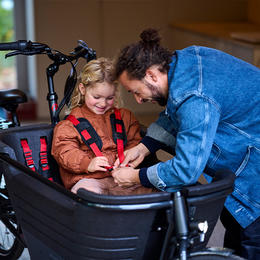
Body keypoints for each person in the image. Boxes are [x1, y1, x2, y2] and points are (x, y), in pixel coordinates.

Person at [112, 28, 260, 259]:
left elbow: (186, 170)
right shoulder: (185, 61)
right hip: (242, 153)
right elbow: (175, 110)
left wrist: (135, 177)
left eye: (135, 91)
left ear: (151, 75)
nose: (139, 100)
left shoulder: (195, 98)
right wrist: (145, 146)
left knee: (252, 241)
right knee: (236, 232)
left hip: (254, 177)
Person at [51, 57, 155, 195]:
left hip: (121, 178)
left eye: (109, 98)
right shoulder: (69, 125)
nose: (102, 103)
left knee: (152, 191)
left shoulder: (125, 117)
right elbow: (65, 152)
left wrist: (127, 160)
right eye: (97, 97)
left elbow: (134, 142)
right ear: (82, 89)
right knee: (85, 192)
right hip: (89, 178)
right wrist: (88, 164)